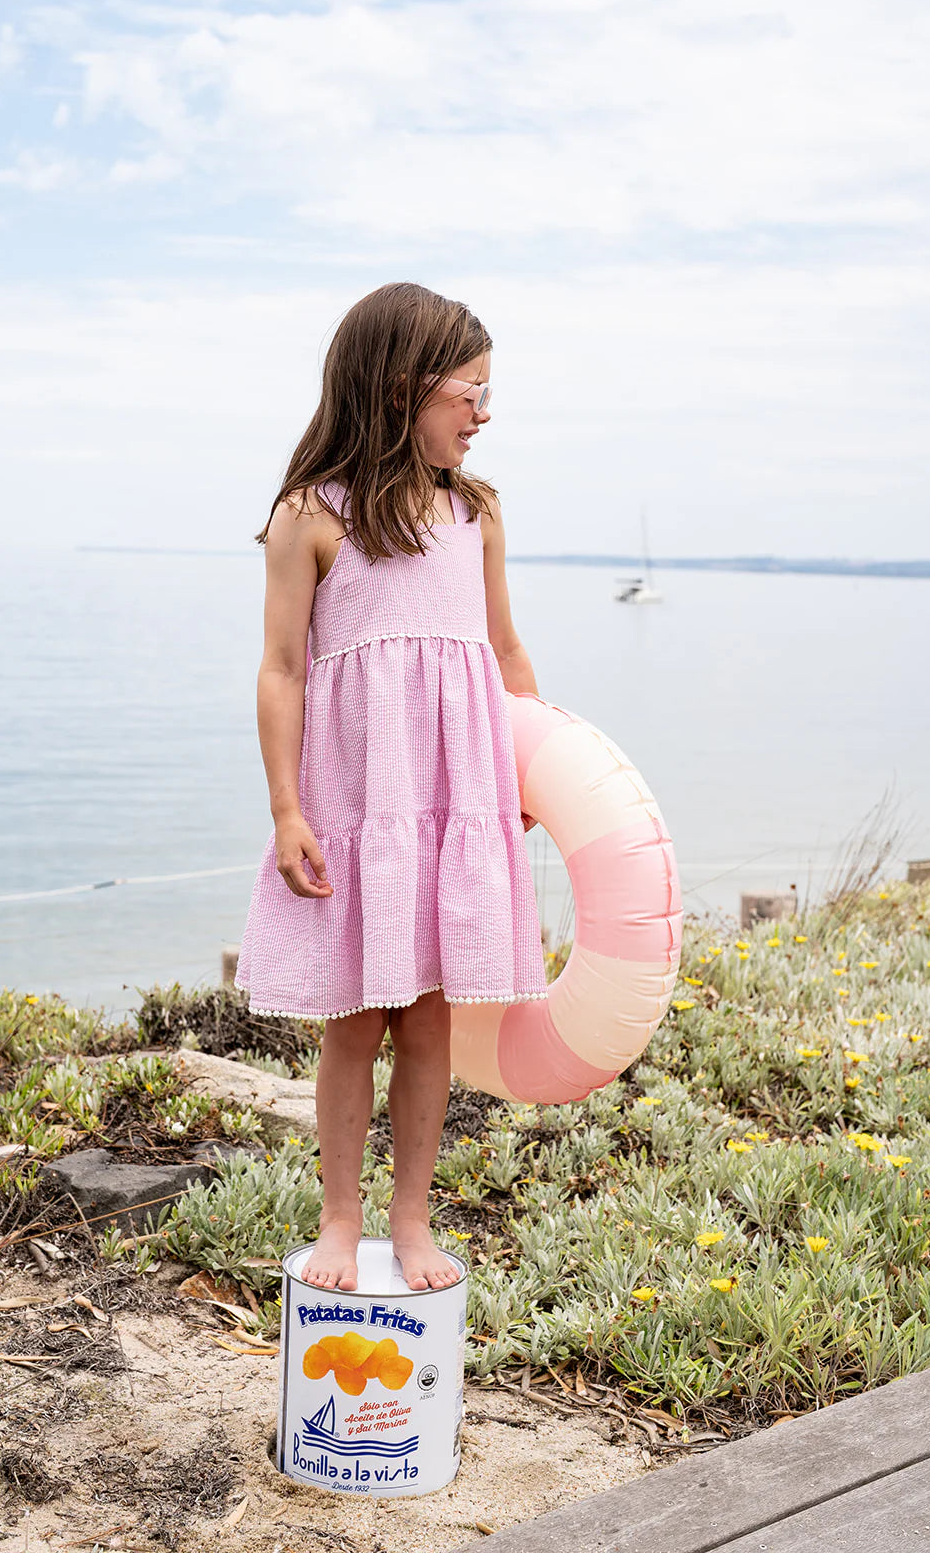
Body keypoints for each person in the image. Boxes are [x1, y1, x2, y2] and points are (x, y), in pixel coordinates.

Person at [235, 282, 547, 1294]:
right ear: (407, 387)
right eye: (471, 392)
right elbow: (282, 668)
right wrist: (287, 809)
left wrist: (531, 772)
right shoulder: (310, 516)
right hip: (357, 808)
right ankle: (340, 1216)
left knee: (427, 1020)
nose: (484, 414)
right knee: (353, 1020)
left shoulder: (475, 512)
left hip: (453, 806)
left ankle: (411, 1220)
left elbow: (502, 650)